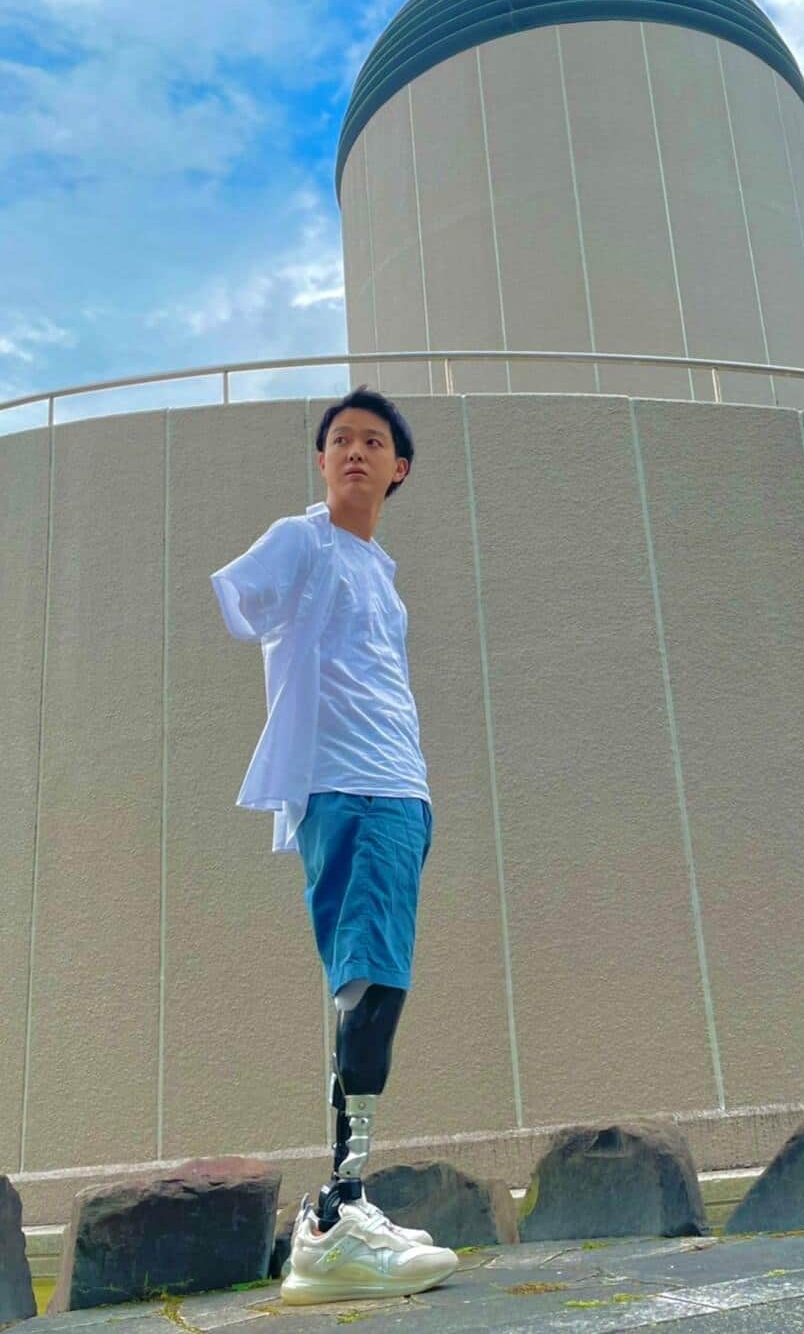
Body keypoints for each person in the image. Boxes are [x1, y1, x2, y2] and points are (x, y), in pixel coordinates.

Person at [210, 387, 457, 1304]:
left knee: (375, 975)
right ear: (321, 461)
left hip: (399, 787)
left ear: (400, 468)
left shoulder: (379, 569)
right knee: (371, 978)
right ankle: (340, 1211)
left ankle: (336, 1217)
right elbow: (245, 602)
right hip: (348, 788)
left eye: (373, 442)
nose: (355, 451)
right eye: (340, 440)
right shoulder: (305, 541)